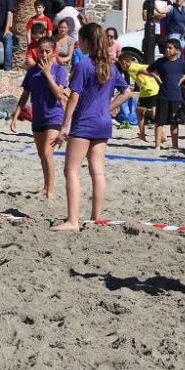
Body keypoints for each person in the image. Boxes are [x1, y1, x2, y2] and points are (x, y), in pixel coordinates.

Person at [52, 23, 132, 231]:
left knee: (71, 171)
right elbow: (126, 92)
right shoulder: (110, 66)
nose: (78, 44)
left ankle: (72, 221)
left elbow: (74, 98)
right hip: (103, 123)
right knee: (97, 171)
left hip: (84, 122)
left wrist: (64, 126)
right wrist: (106, 108)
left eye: (80, 40)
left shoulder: (84, 65)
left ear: (87, 41)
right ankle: (96, 218)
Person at [11, 37, 68, 197]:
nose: (43, 55)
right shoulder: (32, 72)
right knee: (42, 154)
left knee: (47, 152)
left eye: (47, 51)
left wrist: (48, 75)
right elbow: (25, 95)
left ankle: (50, 190)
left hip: (54, 117)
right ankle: (45, 186)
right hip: (38, 118)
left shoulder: (59, 71)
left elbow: (59, 94)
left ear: (53, 52)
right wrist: (16, 115)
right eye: (41, 51)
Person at [144, 38, 185, 152]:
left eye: (170, 48)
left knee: (174, 122)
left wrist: (184, 78)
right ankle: (157, 146)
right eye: (166, 48)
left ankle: (175, 145)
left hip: (176, 97)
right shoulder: (160, 62)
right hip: (163, 96)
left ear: (176, 50)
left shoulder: (181, 64)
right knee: (159, 122)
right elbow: (148, 70)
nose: (167, 50)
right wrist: (156, 77)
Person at [118, 54, 159, 142]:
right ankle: (142, 135)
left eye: (121, 64)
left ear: (124, 62)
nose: (121, 66)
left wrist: (156, 77)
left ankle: (161, 134)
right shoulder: (133, 66)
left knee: (153, 113)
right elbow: (148, 67)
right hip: (146, 91)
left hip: (150, 90)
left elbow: (145, 69)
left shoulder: (132, 68)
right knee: (139, 111)